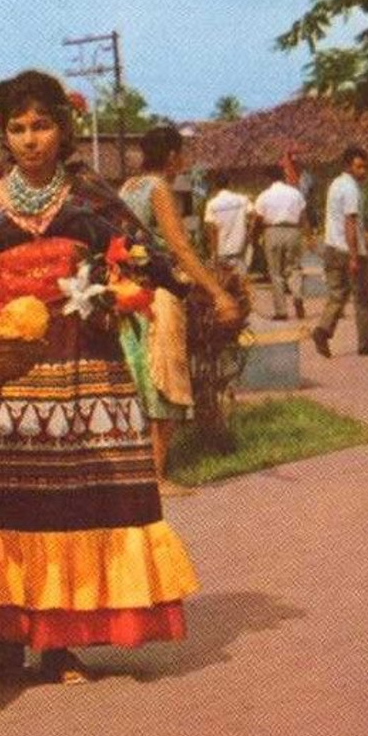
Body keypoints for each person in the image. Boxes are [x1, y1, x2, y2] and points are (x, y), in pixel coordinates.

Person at [0, 72, 200, 684]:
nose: (30, 139)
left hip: (81, 371)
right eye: (18, 128)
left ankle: (59, 643)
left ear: (62, 129)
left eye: (42, 126)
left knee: (68, 505)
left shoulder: (89, 196)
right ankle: (3, 638)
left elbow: (143, 258)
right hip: (7, 378)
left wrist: (135, 290)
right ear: (5, 133)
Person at [118, 125, 243, 497]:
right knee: (166, 380)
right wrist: (218, 292)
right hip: (160, 293)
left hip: (130, 293)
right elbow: (181, 248)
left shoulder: (128, 187)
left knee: (140, 380)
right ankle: (155, 477)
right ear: (172, 156)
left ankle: (139, 474)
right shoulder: (158, 189)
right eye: (181, 155)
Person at [311, 147, 368, 358]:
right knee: (364, 299)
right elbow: (350, 222)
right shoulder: (351, 189)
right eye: (359, 166)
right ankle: (365, 345)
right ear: (348, 166)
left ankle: (322, 330)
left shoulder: (335, 184)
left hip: (331, 247)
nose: (363, 171)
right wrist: (354, 256)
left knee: (337, 295)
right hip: (348, 250)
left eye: (365, 166)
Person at [253, 164, 309, 320]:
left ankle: (281, 311)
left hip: (272, 231)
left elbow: (258, 219)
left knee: (275, 272)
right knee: (294, 268)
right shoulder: (295, 193)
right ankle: (297, 295)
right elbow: (304, 217)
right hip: (293, 231)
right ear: (283, 177)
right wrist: (308, 236)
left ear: (268, 179)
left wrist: (254, 237)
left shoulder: (264, 195)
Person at [201, 172, 255, 271]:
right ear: (229, 184)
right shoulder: (242, 199)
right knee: (241, 280)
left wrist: (214, 251)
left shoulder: (212, 204)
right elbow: (253, 214)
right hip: (240, 247)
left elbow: (212, 229)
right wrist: (249, 233)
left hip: (222, 249)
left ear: (215, 186)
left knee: (225, 282)